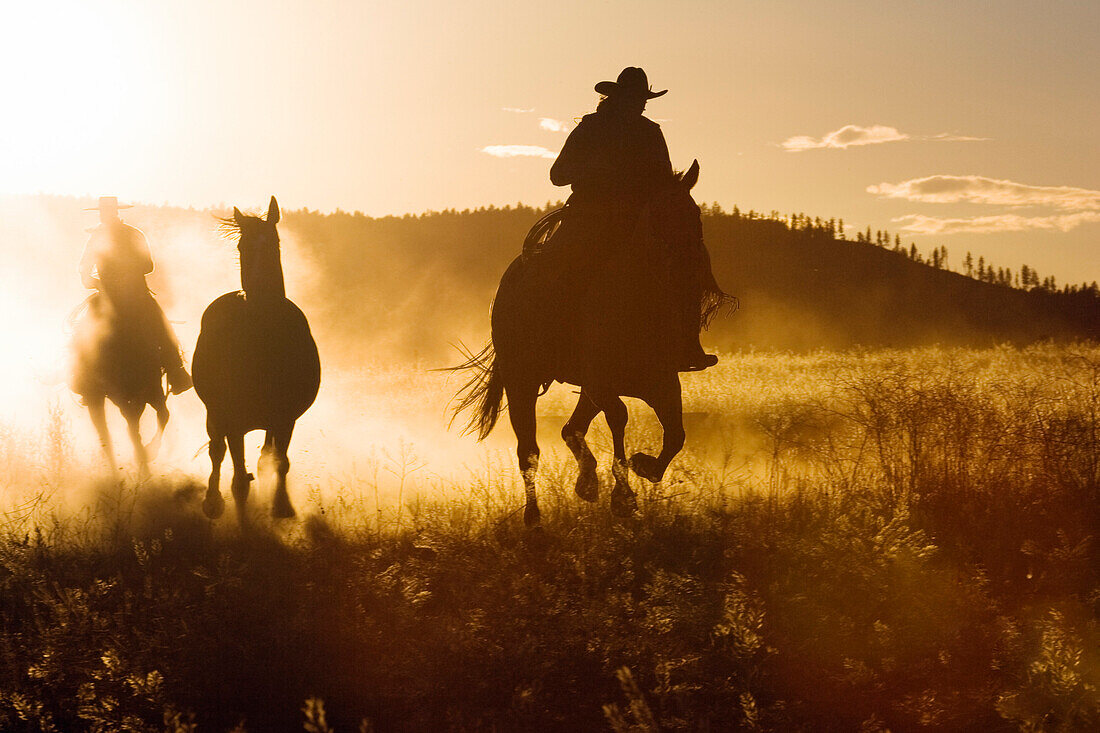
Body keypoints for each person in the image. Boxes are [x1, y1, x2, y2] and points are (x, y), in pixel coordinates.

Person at [549, 67, 717, 371]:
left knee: (688, 263)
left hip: (638, 220)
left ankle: (688, 344)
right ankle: (553, 339)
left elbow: (664, 181)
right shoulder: (590, 129)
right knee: (561, 267)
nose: (641, 105)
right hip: (590, 217)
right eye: (637, 99)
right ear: (619, 98)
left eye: (644, 100)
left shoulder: (651, 132)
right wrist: (598, 173)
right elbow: (557, 175)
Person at [79, 196, 192, 394]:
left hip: (133, 295)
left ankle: (177, 372)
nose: (104, 214)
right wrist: (88, 278)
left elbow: (148, 265)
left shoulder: (132, 235)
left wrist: (117, 276)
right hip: (115, 295)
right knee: (82, 332)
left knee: (160, 325)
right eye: (102, 211)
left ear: (115, 212)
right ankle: (83, 377)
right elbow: (84, 266)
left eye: (107, 211)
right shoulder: (99, 237)